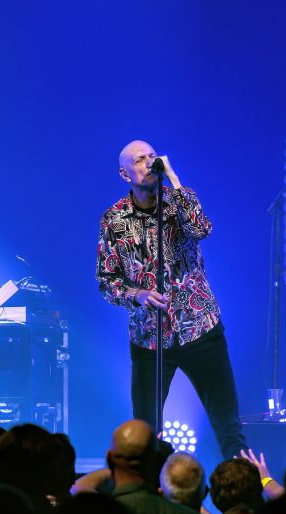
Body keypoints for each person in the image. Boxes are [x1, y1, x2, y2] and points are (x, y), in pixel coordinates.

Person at [96, 140, 247, 460]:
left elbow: (201, 229)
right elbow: (106, 280)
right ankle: (149, 487)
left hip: (199, 328)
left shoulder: (178, 201)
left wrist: (175, 180)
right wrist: (136, 295)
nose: (149, 162)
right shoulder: (114, 219)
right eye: (141, 159)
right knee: (144, 435)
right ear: (125, 173)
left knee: (228, 427)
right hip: (149, 338)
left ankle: (245, 484)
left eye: (153, 156)